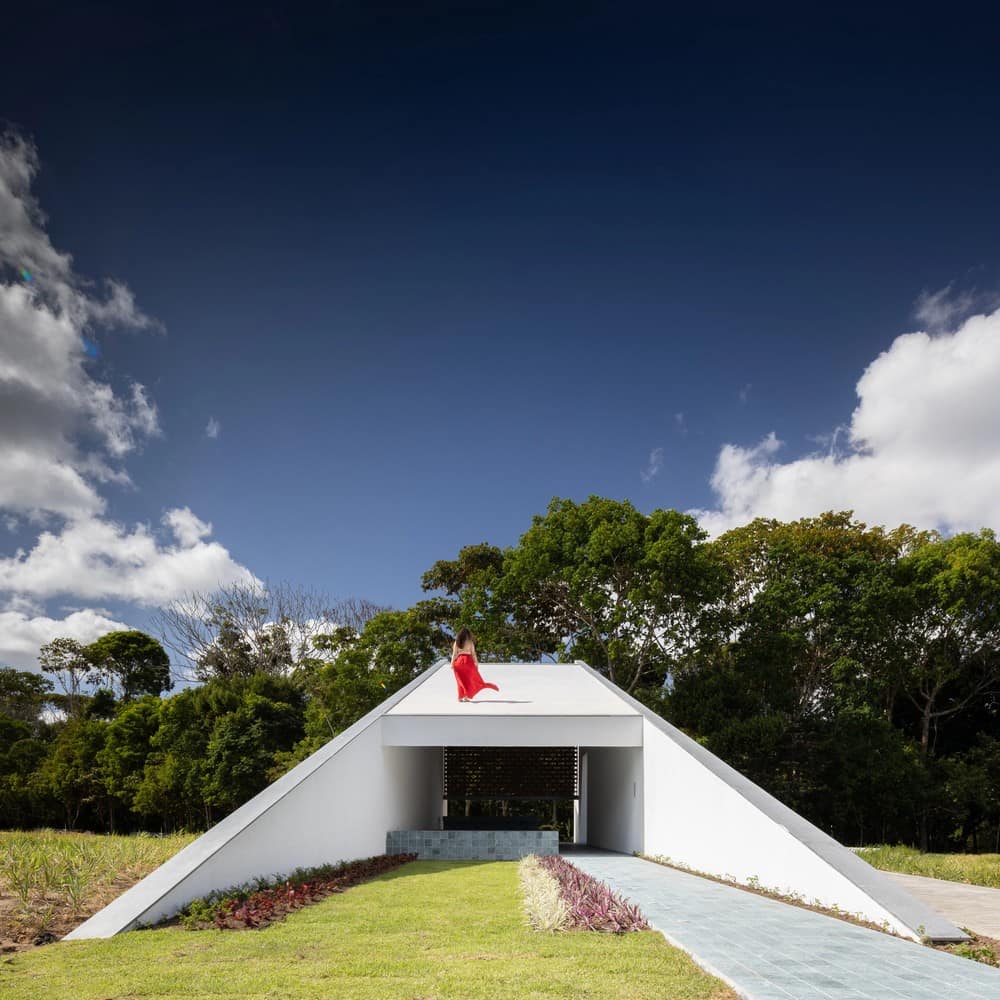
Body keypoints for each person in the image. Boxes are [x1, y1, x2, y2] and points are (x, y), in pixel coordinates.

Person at [451, 627, 499, 702]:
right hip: (468, 661)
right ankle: (466, 696)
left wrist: (452, 663)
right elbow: (473, 654)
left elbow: (454, 654)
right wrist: (476, 663)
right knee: (469, 680)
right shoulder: (470, 642)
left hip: (459, 662)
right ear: (468, 634)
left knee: (460, 680)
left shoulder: (457, 642)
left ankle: (460, 697)